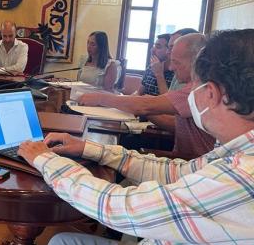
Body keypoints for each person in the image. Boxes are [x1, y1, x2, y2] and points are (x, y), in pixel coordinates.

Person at [0, 29, 254, 245]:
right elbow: (173, 172)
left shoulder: (241, 176)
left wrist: (45, 159)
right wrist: (89, 149)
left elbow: (119, 207)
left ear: (210, 93)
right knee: (61, 244)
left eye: (195, 89)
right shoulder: (235, 154)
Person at [79, 33, 214, 159]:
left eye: (177, 62)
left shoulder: (197, 90)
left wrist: (100, 98)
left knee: (107, 154)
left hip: (191, 163)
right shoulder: (193, 85)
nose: (172, 67)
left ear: (197, 62)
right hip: (184, 158)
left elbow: (144, 107)